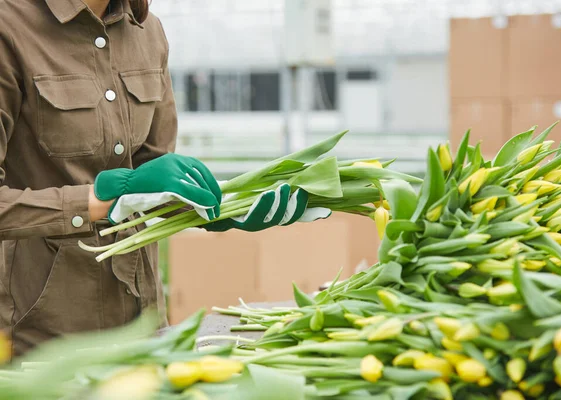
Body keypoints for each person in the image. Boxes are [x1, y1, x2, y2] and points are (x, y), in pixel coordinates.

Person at [0, 0, 328, 358]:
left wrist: (221, 208)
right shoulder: (10, 27)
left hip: (144, 323)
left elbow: (153, 181)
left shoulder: (148, 32)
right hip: (44, 336)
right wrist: (98, 200)